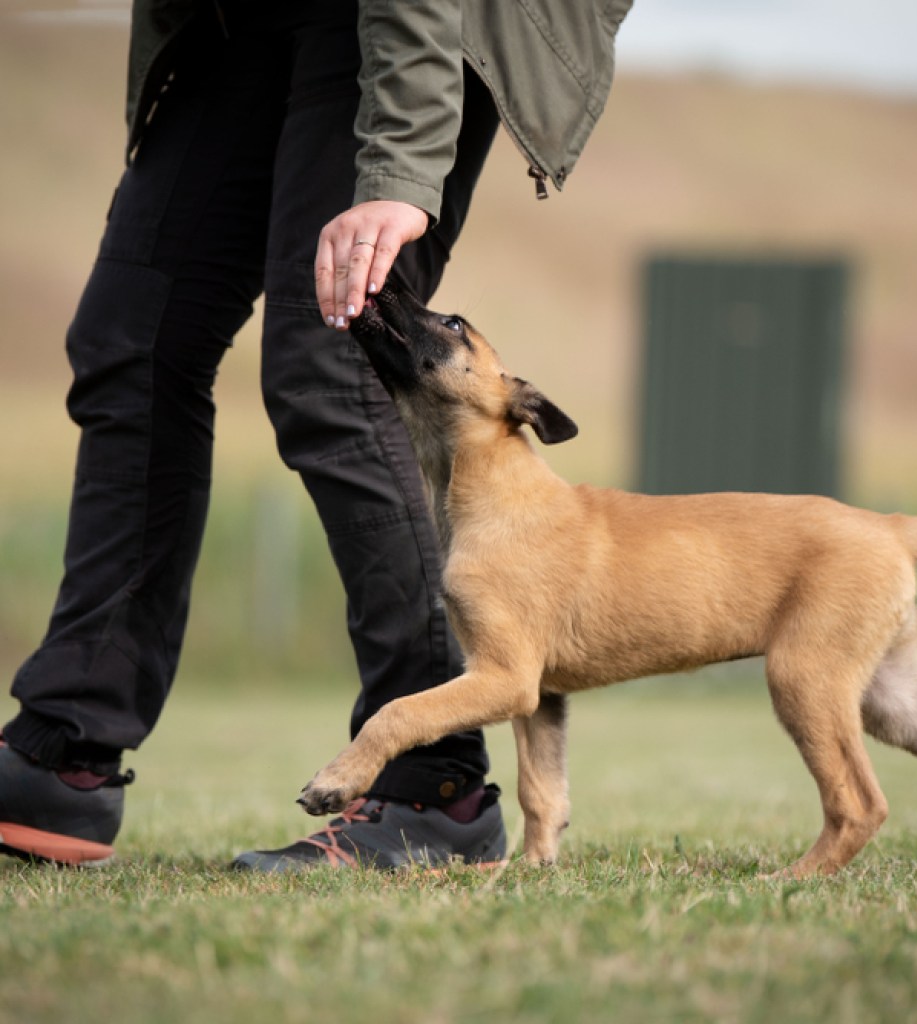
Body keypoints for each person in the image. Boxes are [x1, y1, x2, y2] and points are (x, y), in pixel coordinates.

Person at [0, 0, 632, 870]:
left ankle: (432, 785)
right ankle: (63, 752)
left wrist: (403, 170)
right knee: (132, 343)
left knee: (332, 355)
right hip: (232, 22)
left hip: (409, 17)